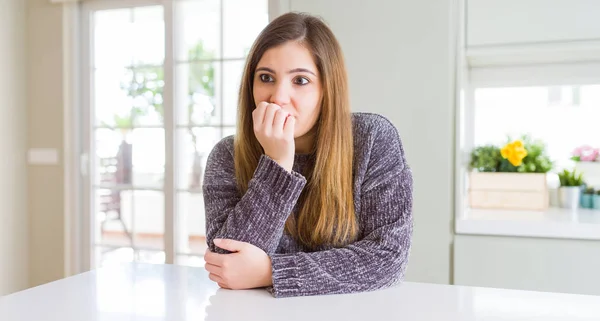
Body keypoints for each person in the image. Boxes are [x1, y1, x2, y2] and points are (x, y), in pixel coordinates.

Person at [202, 12, 413, 298]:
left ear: (327, 89)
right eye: (266, 78)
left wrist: (270, 271)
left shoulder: (373, 139)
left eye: (300, 80)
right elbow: (227, 263)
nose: (278, 97)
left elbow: (387, 257)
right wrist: (277, 164)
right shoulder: (226, 155)